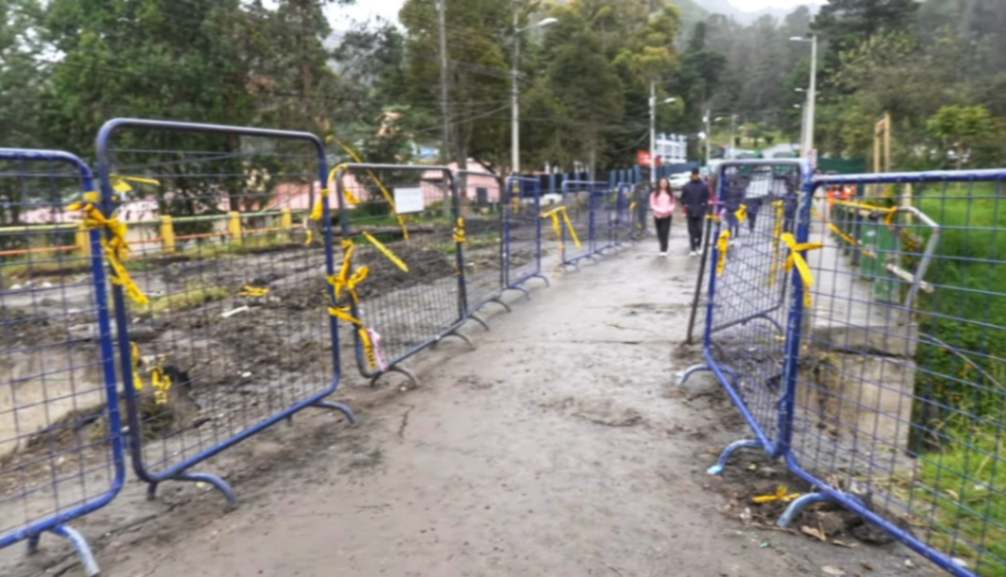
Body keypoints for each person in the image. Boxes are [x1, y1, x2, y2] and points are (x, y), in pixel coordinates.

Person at [680, 169, 710, 256]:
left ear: (699, 175)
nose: (695, 176)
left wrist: (704, 206)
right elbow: (682, 198)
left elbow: (707, 197)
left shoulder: (704, 186)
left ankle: (699, 246)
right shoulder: (687, 186)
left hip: (700, 211)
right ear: (692, 175)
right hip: (690, 211)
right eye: (694, 175)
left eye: (697, 174)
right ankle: (692, 248)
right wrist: (686, 205)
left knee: (700, 230)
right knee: (691, 230)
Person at [649, 177, 676, 255]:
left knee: (665, 231)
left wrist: (669, 209)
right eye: (662, 183)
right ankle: (662, 245)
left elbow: (673, 204)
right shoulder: (654, 194)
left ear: (667, 184)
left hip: (667, 215)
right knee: (659, 232)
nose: (663, 184)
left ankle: (664, 249)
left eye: (665, 183)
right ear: (659, 184)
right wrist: (660, 210)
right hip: (657, 216)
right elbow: (652, 205)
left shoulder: (670, 194)